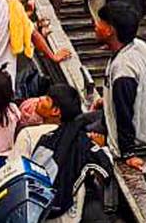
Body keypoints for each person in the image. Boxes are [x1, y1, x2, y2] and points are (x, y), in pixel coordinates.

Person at [92, 1, 146, 170]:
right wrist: (106, 100)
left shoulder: (124, 68)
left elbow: (124, 111)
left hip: (135, 135)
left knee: (75, 134)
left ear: (110, 31)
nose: (96, 25)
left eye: (101, 22)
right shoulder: (138, 45)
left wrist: (128, 153)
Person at [30, 84, 113, 223]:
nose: (41, 99)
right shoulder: (83, 143)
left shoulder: (46, 138)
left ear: (56, 111)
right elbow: (106, 170)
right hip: (66, 214)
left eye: (47, 99)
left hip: (39, 209)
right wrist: (101, 147)